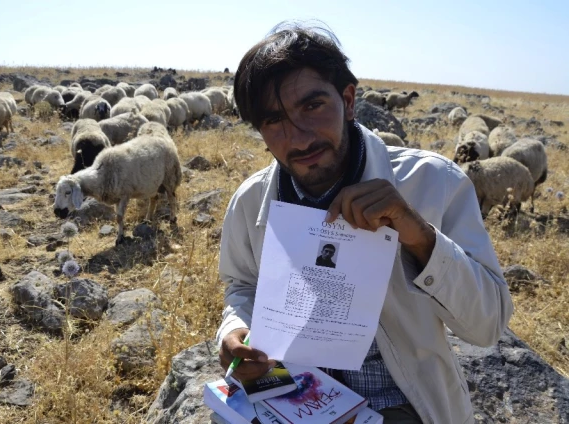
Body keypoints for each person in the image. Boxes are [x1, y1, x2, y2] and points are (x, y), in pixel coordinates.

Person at [216, 23, 513, 424]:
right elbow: (242, 286)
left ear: (349, 100)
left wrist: (419, 237)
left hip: (397, 403)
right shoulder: (252, 201)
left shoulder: (432, 183)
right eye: (274, 121)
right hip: (293, 393)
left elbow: (488, 325)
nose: (299, 139)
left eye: (312, 106)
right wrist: (236, 333)